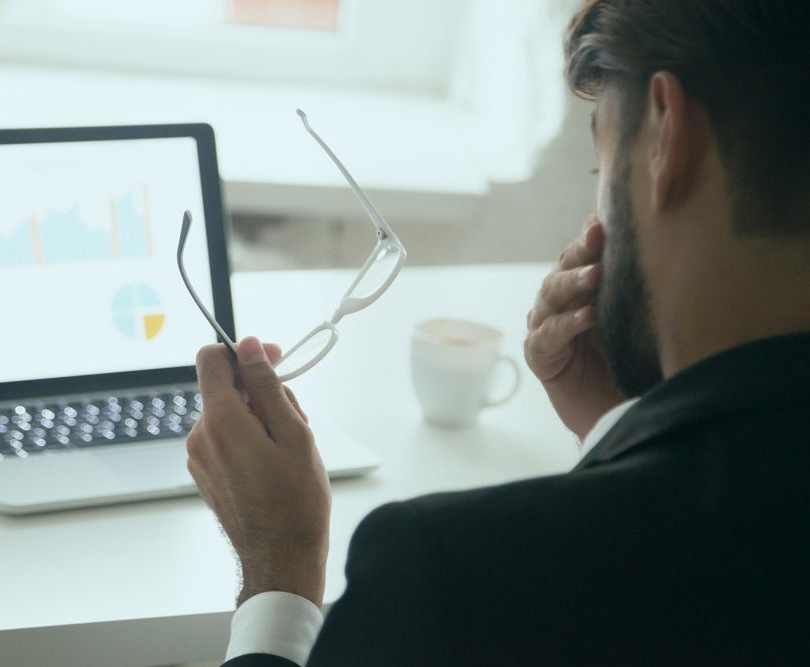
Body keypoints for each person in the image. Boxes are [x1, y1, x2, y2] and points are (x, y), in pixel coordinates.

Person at [185, 0, 810, 663]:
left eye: (602, 171)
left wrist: (278, 564)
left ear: (664, 136)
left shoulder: (454, 574)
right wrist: (621, 428)